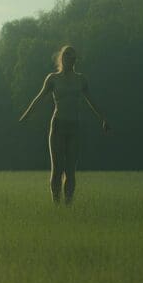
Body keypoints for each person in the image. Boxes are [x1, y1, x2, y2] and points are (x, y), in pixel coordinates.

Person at [19, 45, 110, 204]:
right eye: (67, 55)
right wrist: (26, 116)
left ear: (75, 60)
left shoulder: (81, 79)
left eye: (72, 56)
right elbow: (39, 98)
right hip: (58, 126)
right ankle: (56, 203)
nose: (69, 58)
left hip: (74, 127)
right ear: (61, 58)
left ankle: (68, 204)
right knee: (57, 169)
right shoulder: (53, 78)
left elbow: (92, 101)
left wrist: (103, 118)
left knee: (70, 171)